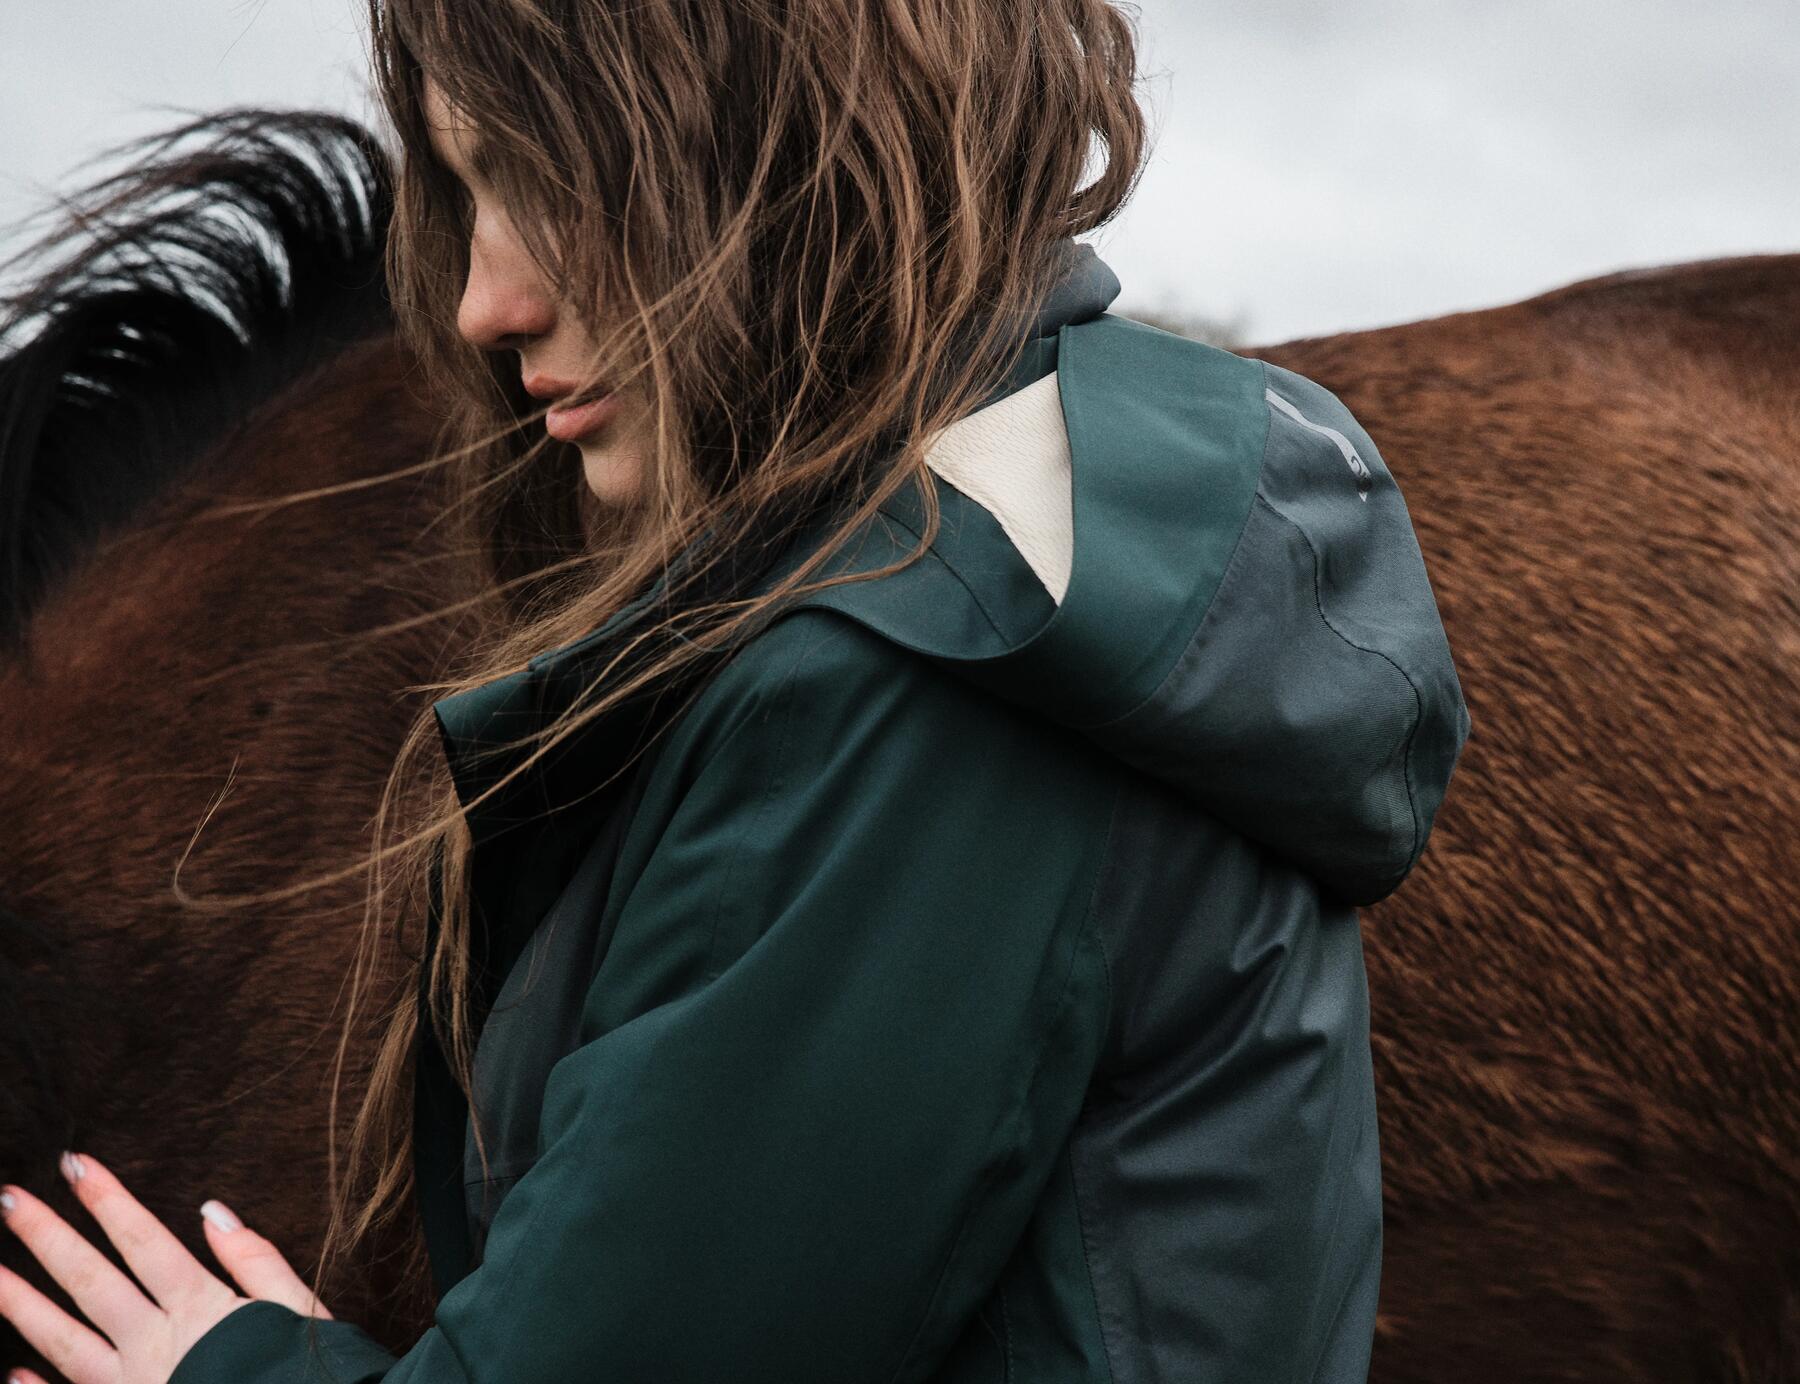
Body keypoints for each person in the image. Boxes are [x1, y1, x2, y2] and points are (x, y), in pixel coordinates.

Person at [0, 2, 1471, 1381]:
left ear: (768, 150)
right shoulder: (1032, 582)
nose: (481, 303)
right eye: (468, 198)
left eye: (541, 182)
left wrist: (233, 1369)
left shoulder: (921, 681)